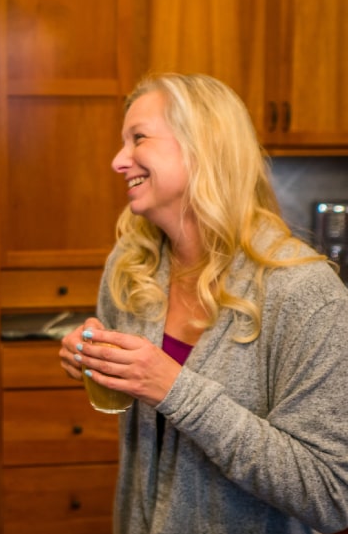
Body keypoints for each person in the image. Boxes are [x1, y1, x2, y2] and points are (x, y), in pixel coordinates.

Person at [59, 73, 348, 534]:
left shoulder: (305, 293)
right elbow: (146, 424)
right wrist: (95, 360)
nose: (118, 161)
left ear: (202, 147)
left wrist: (175, 389)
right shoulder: (132, 266)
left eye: (138, 138)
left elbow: (331, 495)